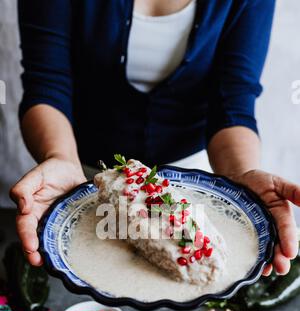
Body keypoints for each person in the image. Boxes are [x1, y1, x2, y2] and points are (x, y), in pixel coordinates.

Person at [11, 0, 300, 276]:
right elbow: (47, 84)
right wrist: (59, 157)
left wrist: (240, 177)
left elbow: (233, 101)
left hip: (196, 180)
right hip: (80, 178)